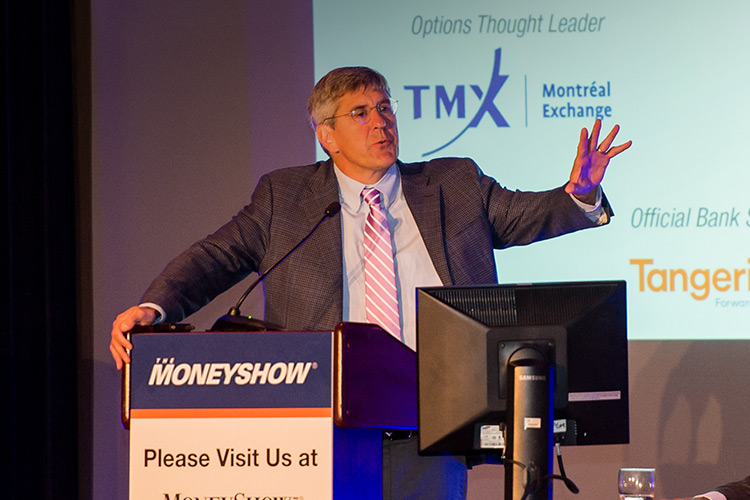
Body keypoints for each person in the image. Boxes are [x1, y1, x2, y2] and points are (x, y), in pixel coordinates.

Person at [110, 66, 631, 499]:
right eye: (360, 113)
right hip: (323, 425)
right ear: (327, 136)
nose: (380, 122)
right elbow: (216, 257)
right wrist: (154, 308)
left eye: (385, 108)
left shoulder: (453, 184)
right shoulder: (285, 197)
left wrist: (579, 192)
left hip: (429, 424)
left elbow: (524, 217)